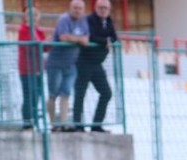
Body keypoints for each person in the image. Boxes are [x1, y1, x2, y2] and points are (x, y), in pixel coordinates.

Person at [72, 0, 117, 133]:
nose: (103, 10)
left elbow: (114, 37)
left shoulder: (108, 21)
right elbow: (90, 36)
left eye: (106, 8)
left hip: (97, 64)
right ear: (96, 8)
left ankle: (96, 125)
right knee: (80, 94)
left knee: (106, 93)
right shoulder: (88, 20)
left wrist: (108, 41)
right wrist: (105, 41)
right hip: (84, 62)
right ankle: (78, 125)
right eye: (101, 7)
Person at [44, 0, 88, 132]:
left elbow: (86, 39)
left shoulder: (83, 21)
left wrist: (75, 38)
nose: (77, 10)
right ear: (70, 8)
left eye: (80, 8)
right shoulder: (64, 19)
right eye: (75, 8)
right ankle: (53, 124)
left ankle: (64, 123)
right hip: (55, 64)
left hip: (71, 64)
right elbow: (63, 37)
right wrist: (78, 39)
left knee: (66, 93)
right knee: (53, 94)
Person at [17, 9, 46, 131]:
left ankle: (34, 120)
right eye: (31, 16)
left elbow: (44, 46)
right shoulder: (23, 30)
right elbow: (28, 46)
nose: (33, 19)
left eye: (36, 17)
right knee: (29, 95)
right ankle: (27, 122)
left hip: (38, 68)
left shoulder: (39, 31)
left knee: (37, 95)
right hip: (27, 69)